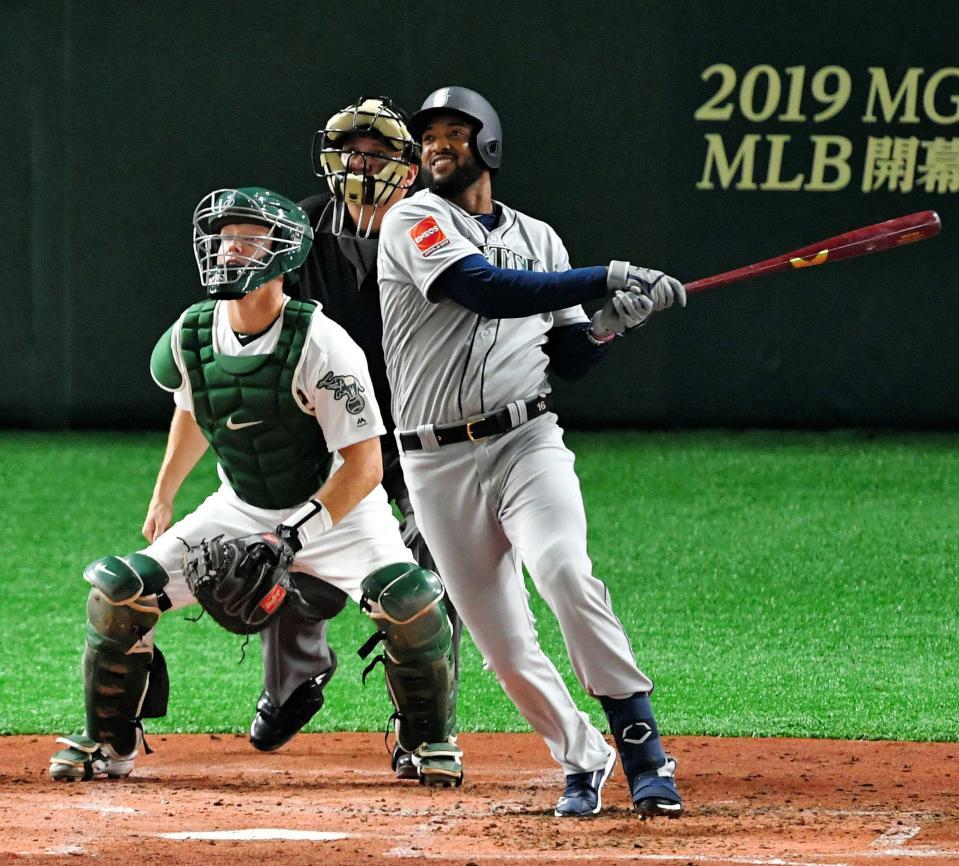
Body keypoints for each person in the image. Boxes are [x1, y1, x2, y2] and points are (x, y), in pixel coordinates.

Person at [49, 187, 461, 787]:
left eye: (248, 239)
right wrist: (164, 493)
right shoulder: (192, 333)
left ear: (285, 254)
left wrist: (293, 536)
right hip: (240, 508)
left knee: (410, 602)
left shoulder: (323, 344)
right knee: (119, 592)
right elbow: (194, 409)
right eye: (224, 238)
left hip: (338, 508)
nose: (229, 250)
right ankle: (109, 742)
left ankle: (425, 742)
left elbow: (365, 468)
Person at [376, 86, 686, 818]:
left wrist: (612, 321)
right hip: (434, 462)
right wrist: (605, 276)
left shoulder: (540, 238)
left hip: (525, 441)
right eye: (428, 137)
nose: (436, 147)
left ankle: (643, 749)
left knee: (563, 568)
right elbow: (481, 288)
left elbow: (568, 357)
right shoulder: (413, 220)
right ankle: (581, 756)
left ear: (488, 144)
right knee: (504, 650)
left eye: (454, 133)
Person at [286, 96, 463, 780]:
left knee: (429, 574)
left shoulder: (434, 230)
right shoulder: (300, 226)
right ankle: (294, 677)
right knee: (282, 558)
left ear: (409, 167)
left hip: (419, 427)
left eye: (379, 152)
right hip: (333, 432)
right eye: (352, 150)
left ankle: (420, 726)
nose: (362, 163)